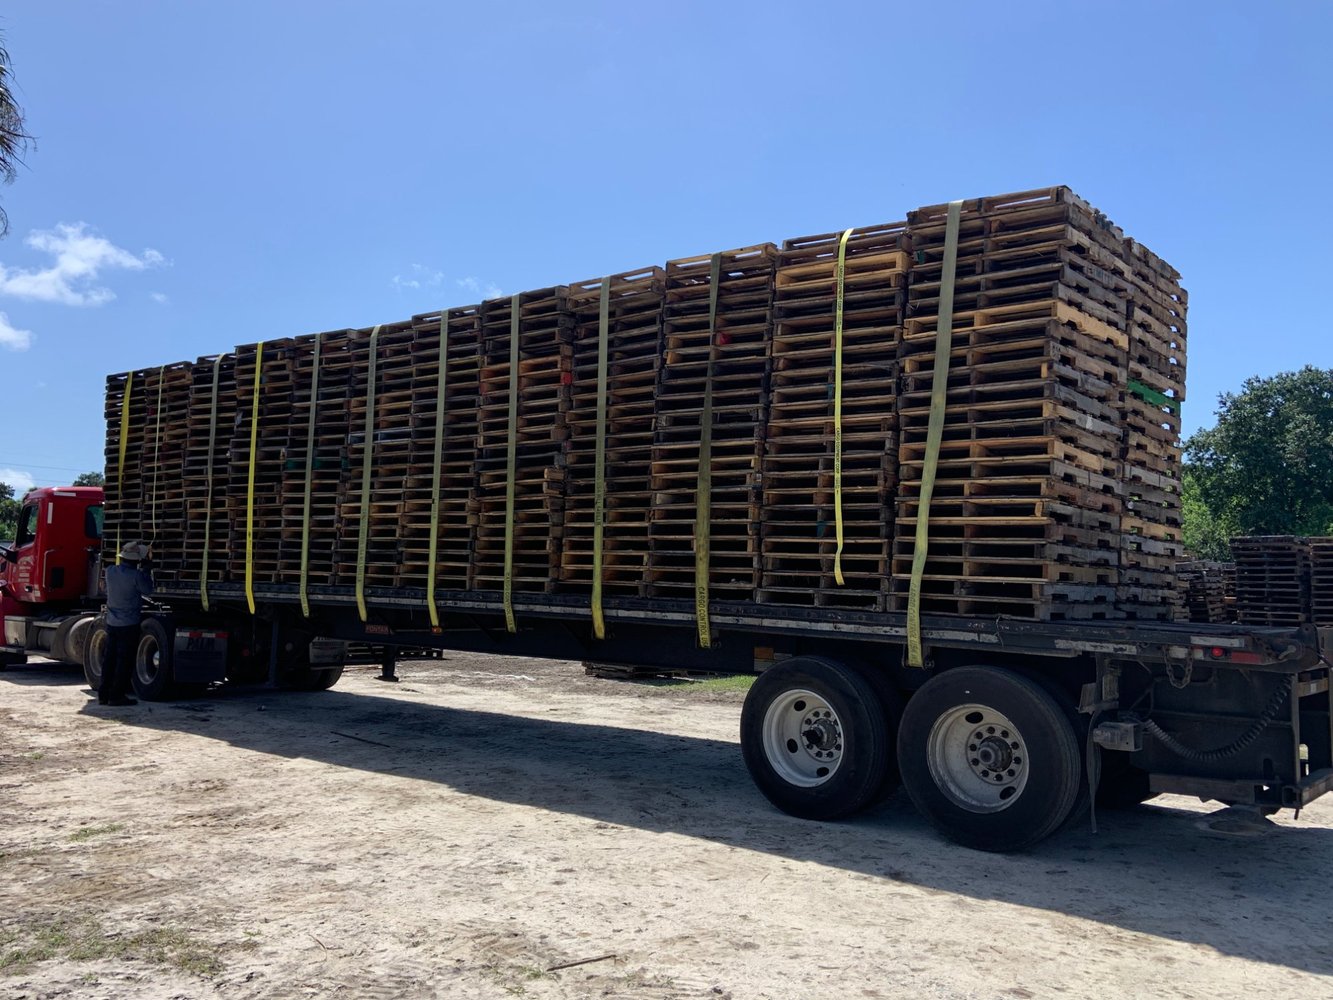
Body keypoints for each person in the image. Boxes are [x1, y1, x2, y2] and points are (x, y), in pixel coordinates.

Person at [99, 540, 154, 706]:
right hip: (129, 623)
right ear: (137, 560)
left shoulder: (110, 571)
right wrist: (146, 569)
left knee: (109, 659)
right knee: (124, 661)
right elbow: (148, 590)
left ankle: (104, 694)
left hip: (112, 622)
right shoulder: (136, 576)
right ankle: (116, 696)